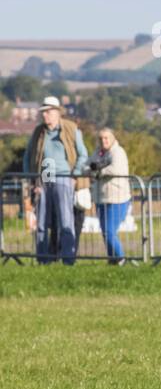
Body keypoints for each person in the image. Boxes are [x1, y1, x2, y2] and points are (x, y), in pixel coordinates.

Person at [22, 96, 89, 265]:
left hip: (65, 177)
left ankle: (68, 260)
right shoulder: (38, 132)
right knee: (42, 222)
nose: (45, 116)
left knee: (66, 221)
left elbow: (83, 154)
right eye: (43, 112)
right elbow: (28, 156)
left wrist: (75, 175)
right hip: (44, 178)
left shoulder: (71, 129)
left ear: (58, 113)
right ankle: (43, 260)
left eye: (49, 112)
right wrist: (32, 180)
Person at [87, 127, 131, 264]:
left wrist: (98, 171)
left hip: (117, 199)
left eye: (106, 138)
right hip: (101, 198)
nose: (103, 141)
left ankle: (120, 258)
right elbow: (87, 166)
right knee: (105, 232)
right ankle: (113, 259)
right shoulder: (98, 153)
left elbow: (115, 169)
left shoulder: (118, 152)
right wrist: (92, 169)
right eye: (101, 138)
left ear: (112, 139)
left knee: (109, 231)